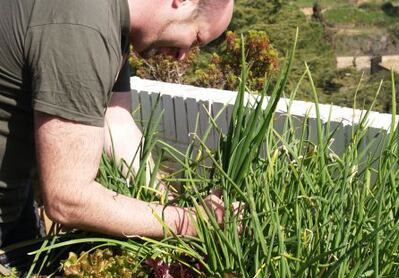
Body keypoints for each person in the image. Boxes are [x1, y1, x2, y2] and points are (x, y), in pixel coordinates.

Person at [0, 0, 234, 247]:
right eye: (196, 37)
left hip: (15, 194)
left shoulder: (112, 20)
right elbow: (68, 199)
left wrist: (171, 202)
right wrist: (191, 223)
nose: (183, 54)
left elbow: (116, 121)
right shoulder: (84, 23)